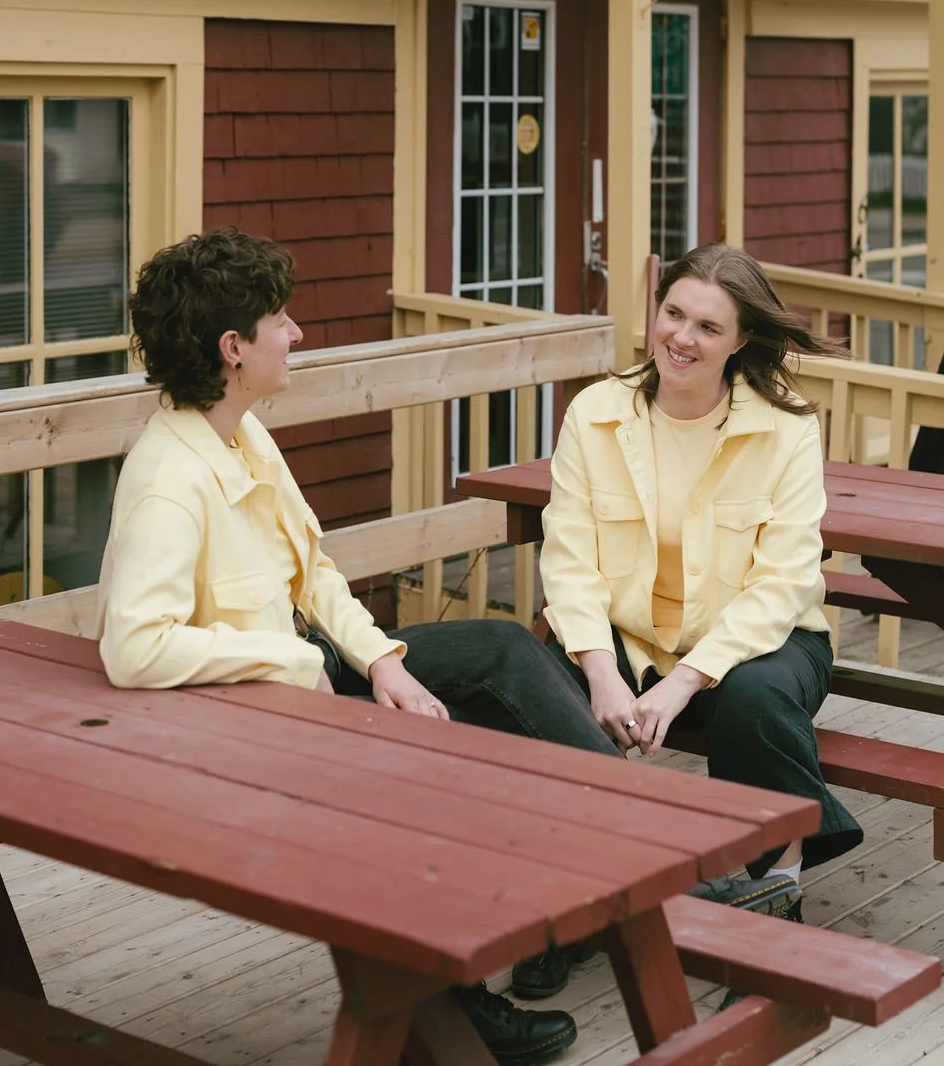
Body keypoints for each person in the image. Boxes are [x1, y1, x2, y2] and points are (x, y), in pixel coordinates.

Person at [96, 225, 623, 1066]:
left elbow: (314, 573)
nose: (296, 332)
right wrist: (291, 660)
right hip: (254, 719)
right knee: (455, 763)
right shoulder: (172, 480)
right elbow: (134, 646)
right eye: (280, 319)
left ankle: (627, 851)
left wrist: (380, 661)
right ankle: (462, 1008)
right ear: (233, 348)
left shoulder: (239, 431)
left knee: (501, 650)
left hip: (311, 669)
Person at [509, 243, 863, 1007]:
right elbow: (568, 559)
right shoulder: (596, 413)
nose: (682, 337)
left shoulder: (786, 430)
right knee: (536, 688)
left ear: (741, 340)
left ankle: (776, 897)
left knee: (753, 702)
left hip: (762, 640)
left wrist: (685, 682)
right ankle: (560, 908)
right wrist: (599, 670)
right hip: (628, 639)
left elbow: (783, 583)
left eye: (708, 326)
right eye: (673, 313)